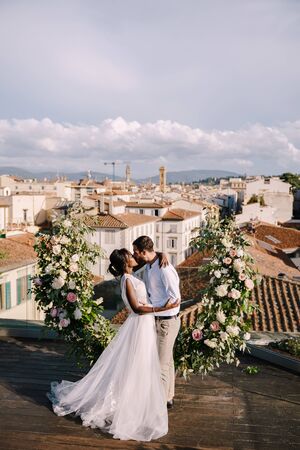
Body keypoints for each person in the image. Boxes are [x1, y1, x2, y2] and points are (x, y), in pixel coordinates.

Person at [47, 248, 179, 442]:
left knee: (141, 364)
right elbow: (137, 308)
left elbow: (148, 256)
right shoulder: (127, 280)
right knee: (137, 364)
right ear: (125, 261)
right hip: (139, 324)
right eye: (130, 255)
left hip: (144, 326)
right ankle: (135, 405)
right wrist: (163, 308)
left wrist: (162, 255)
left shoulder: (132, 274)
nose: (134, 257)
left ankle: (139, 401)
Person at [132, 236, 181, 410]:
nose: (134, 255)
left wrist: (153, 307)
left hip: (167, 322)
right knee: (167, 361)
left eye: (136, 252)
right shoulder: (151, 264)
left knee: (161, 365)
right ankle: (168, 397)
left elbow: (175, 299)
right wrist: (162, 253)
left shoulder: (164, 269)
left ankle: (157, 406)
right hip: (159, 320)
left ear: (144, 252)